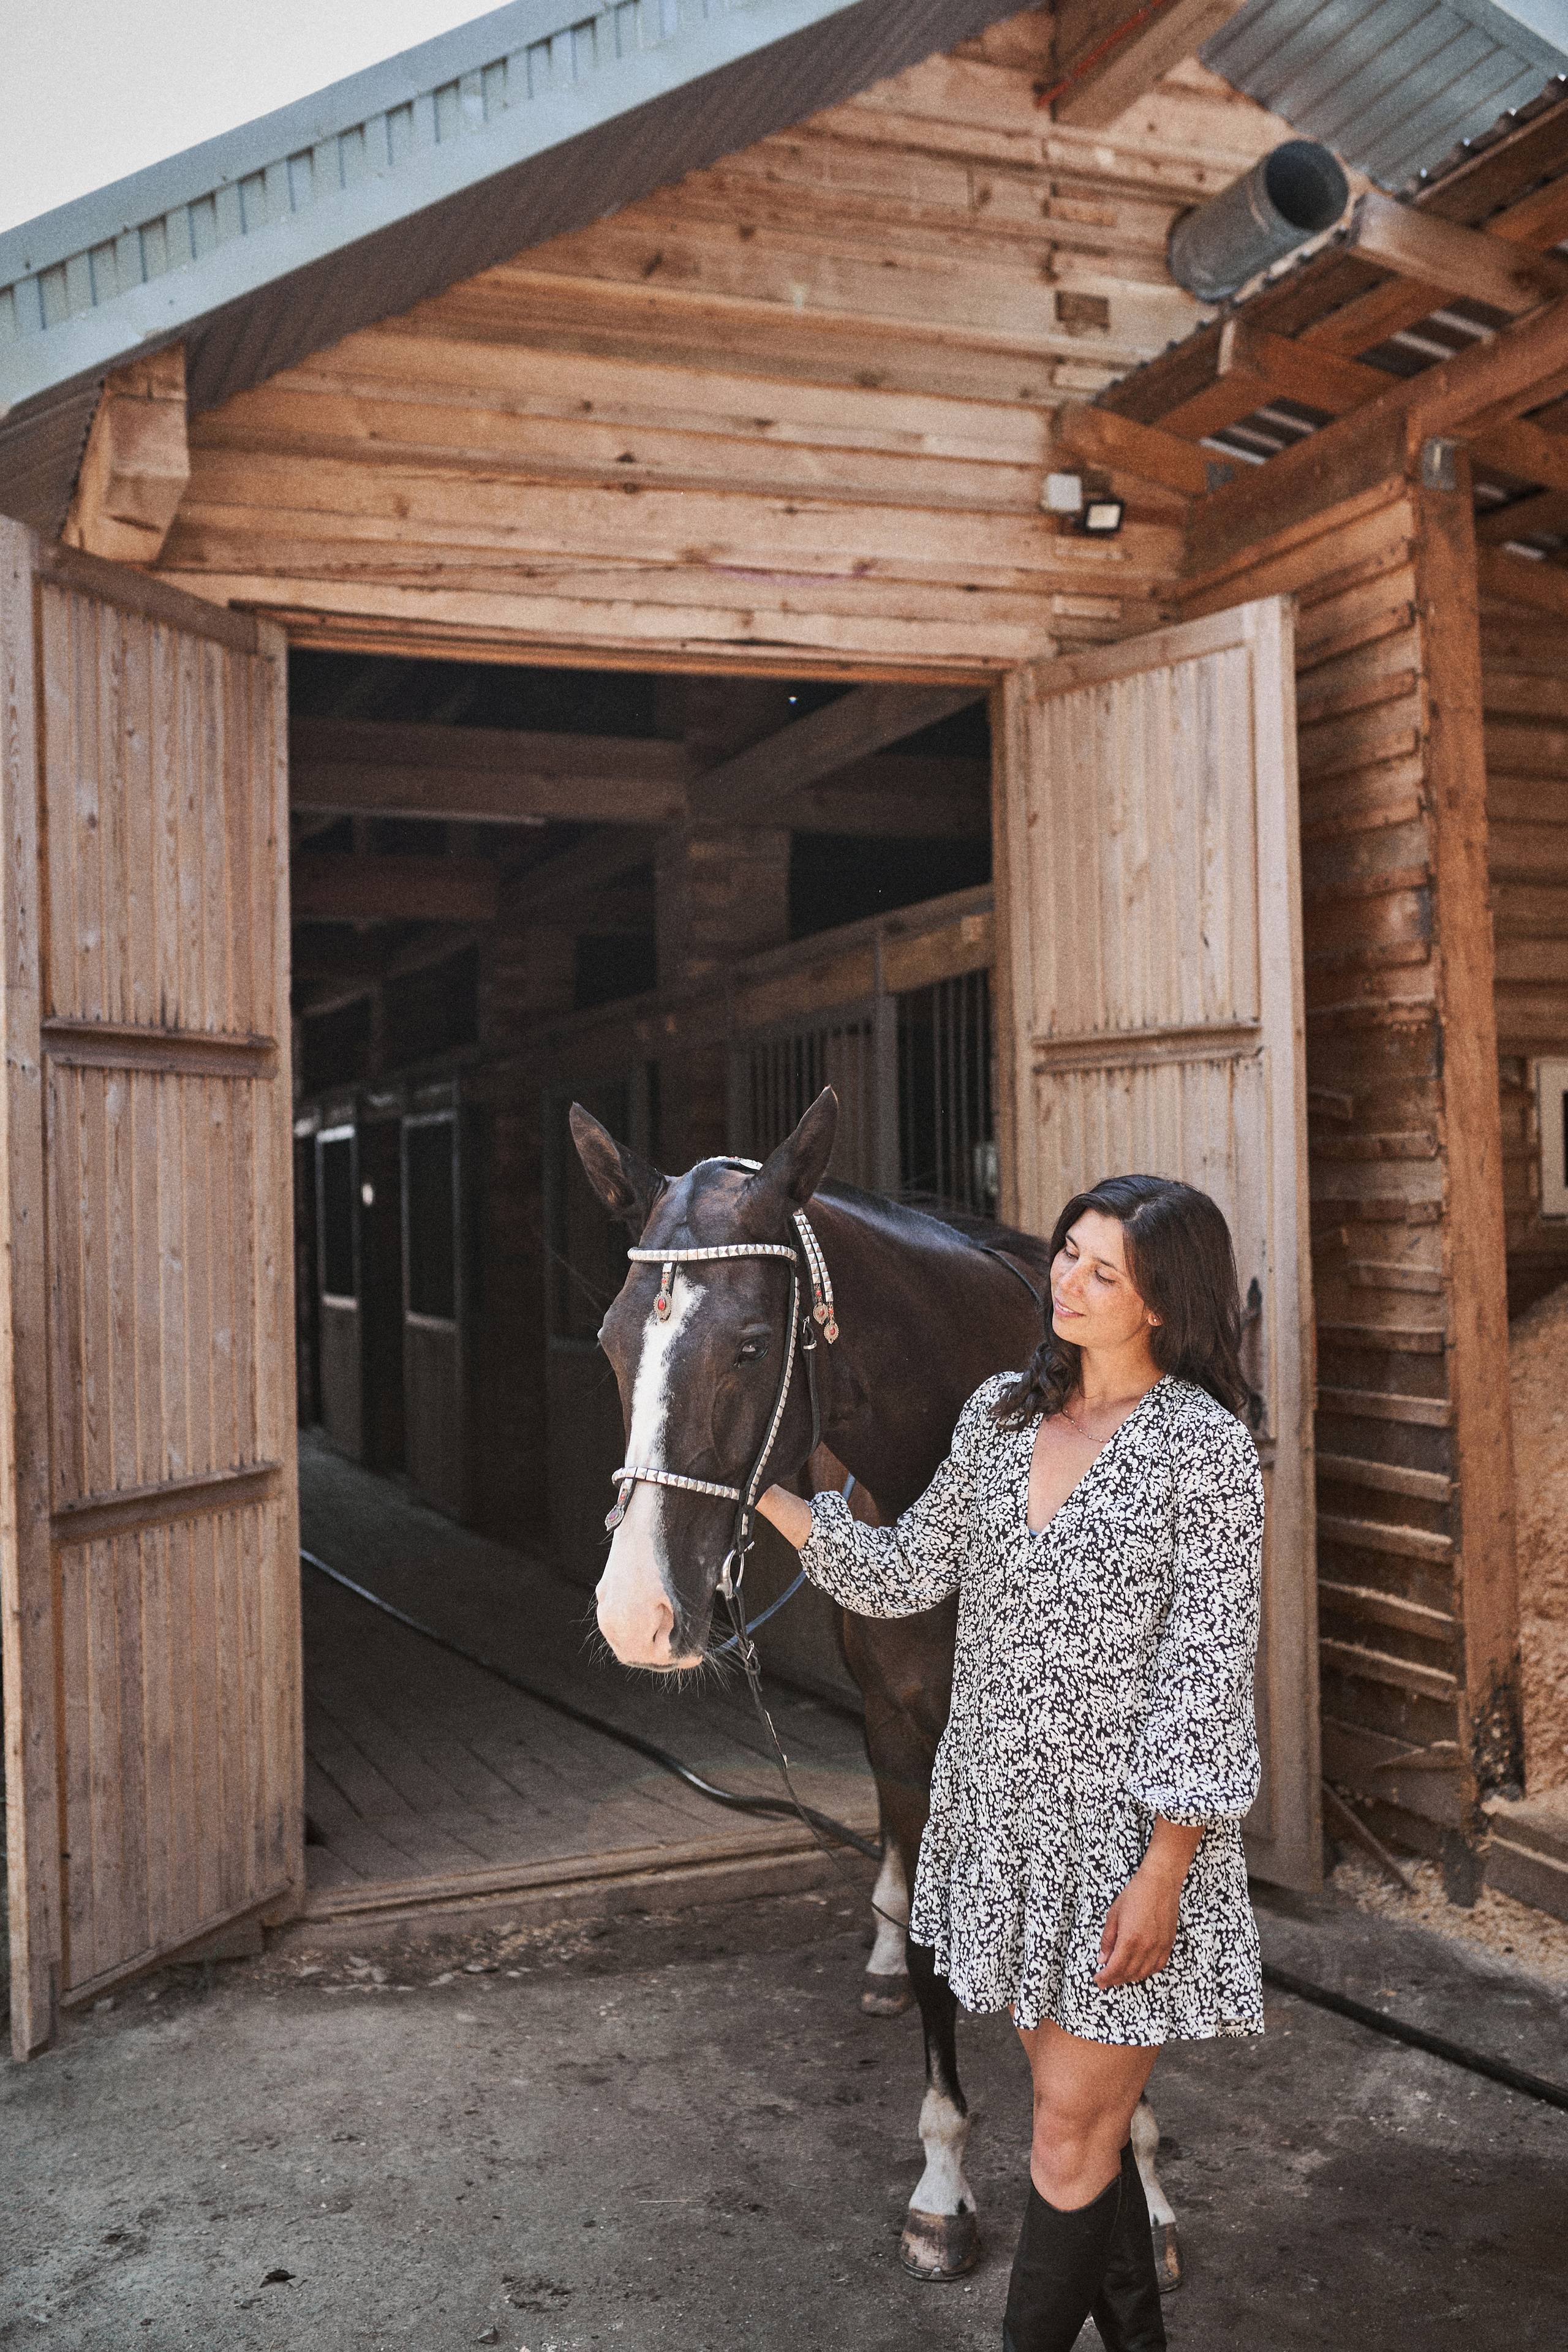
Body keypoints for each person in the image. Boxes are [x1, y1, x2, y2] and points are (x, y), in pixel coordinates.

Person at [756, 1172, 1265, 2352]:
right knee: (1082, 2129)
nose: (1069, 1283)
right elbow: (902, 1574)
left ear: (1163, 1302)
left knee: (1061, 2143)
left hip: (1121, 1847)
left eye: (1105, 1270)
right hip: (991, 1826)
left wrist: (1165, 1871)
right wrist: (773, 1496)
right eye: (1067, 1255)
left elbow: (1206, 1679)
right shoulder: (999, 1414)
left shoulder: (1206, 1453)